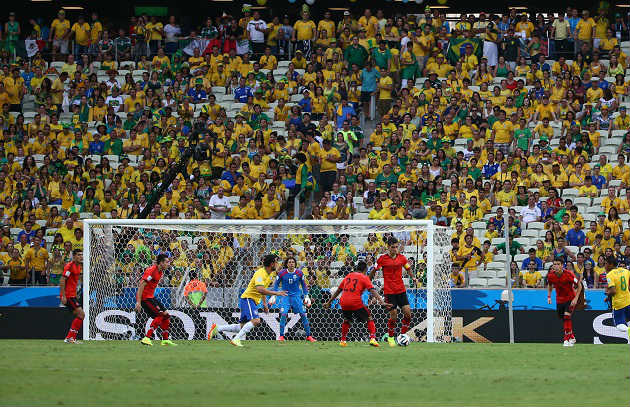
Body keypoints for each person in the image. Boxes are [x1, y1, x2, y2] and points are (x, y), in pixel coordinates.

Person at [209, 254, 287, 347]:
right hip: (248, 299)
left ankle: (218, 328)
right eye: (276, 262)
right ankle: (236, 339)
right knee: (256, 320)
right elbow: (260, 289)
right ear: (272, 264)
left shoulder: (270, 274)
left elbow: (263, 289)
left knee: (241, 326)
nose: (278, 264)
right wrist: (277, 293)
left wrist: (265, 304)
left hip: (252, 300)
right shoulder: (260, 273)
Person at [324, 260, 391, 347]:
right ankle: (373, 338)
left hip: (343, 301)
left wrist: (329, 302)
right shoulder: (364, 277)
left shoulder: (349, 275)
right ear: (365, 269)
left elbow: (339, 290)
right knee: (369, 318)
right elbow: (372, 290)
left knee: (347, 320)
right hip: (355, 301)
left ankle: (343, 340)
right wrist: (382, 302)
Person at [370, 236, 417, 347]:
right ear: (388, 247)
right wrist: (368, 279)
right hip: (389, 292)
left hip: (401, 290)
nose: (395, 249)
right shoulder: (382, 259)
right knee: (394, 316)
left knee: (408, 314)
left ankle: (402, 335)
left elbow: (408, 268)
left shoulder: (402, 258)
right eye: (393, 247)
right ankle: (391, 337)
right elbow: (374, 270)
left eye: (397, 247)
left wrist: (413, 277)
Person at [136, 254, 177, 347]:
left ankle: (165, 340)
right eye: (167, 262)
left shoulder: (161, 271)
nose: (168, 264)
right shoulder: (152, 271)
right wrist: (138, 302)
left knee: (166, 315)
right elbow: (141, 285)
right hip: (145, 298)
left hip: (151, 297)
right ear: (161, 263)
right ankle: (147, 338)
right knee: (160, 315)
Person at [272, 256, 316, 342]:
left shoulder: (299, 273)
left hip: (296, 297)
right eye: (289, 262)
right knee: (284, 314)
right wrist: (274, 294)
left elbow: (303, 285)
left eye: (293, 262)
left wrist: (306, 295)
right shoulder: (282, 273)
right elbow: (276, 284)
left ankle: (308, 336)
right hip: (286, 296)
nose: (291, 264)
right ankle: (281, 336)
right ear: (287, 264)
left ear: (295, 264)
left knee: (303, 315)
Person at [547, 260, 582, 347]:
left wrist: (576, 298)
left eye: (558, 264)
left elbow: (579, 285)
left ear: (562, 265)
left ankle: (566, 339)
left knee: (567, 316)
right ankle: (572, 337)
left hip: (570, 299)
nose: (556, 266)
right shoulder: (551, 275)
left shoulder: (569, 274)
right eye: (554, 264)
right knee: (563, 318)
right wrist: (549, 297)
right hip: (559, 300)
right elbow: (550, 285)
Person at [60, 249, 84, 344]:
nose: (81, 256)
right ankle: (70, 338)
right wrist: (63, 296)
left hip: (73, 295)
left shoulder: (78, 266)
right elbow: (62, 280)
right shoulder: (69, 266)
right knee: (81, 314)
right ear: (74, 256)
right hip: (69, 295)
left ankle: (70, 338)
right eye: (78, 255)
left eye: (81, 255)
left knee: (80, 315)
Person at [604, 256, 630, 336]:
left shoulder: (610, 275)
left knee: (619, 325)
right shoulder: (626, 271)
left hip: (618, 303)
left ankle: (628, 330)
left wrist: (608, 294)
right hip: (628, 300)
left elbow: (613, 291)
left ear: (611, 264)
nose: (605, 265)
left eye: (606, 264)